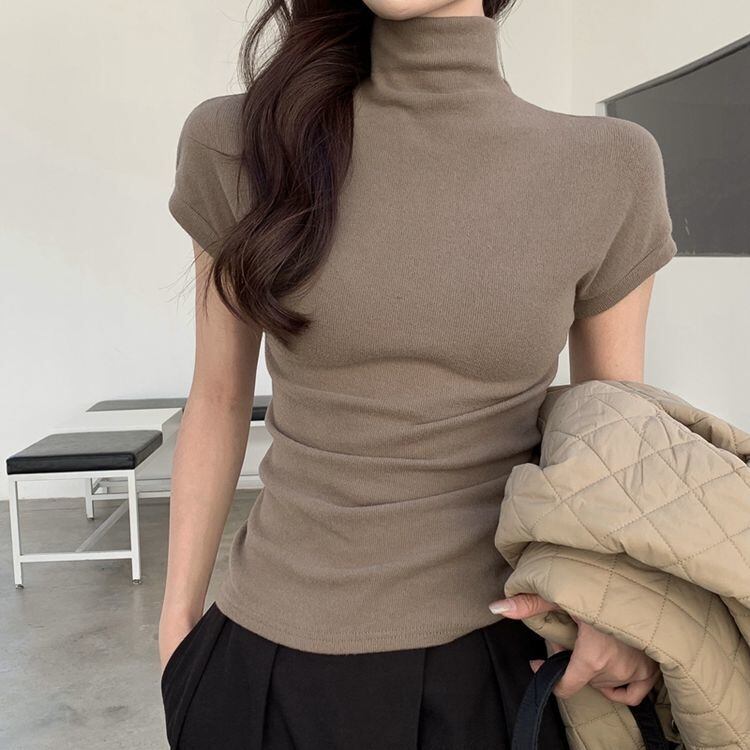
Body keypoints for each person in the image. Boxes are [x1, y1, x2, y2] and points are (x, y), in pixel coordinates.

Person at [159, 0, 676, 747]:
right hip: (261, 663)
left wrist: (616, 607)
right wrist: (177, 630)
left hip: (503, 665)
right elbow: (216, 396)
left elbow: (613, 430)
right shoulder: (239, 142)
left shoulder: (610, 164)